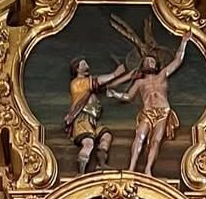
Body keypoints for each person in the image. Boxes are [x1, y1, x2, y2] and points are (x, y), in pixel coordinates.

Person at [108, 32, 192, 175]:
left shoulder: (163, 75)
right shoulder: (140, 82)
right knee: (139, 136)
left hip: (163, 111)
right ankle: (131, 168)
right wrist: (115, 94)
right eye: (147, 61)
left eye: (152, 61)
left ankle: (148, 169)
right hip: (147, 112)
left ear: (157, 65)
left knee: (155, 141)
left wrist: (184, 42)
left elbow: (178, 60)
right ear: (143, 64)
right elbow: (128, 96)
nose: (150, 63)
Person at [64, 58, 135, 174]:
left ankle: (101, 164)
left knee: (106, 136)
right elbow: (100, 81)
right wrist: (116, 73)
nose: (87, 65)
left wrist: (129, 76)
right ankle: (81, 173)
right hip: (83, 119)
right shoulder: (77, 83)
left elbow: (109, 85)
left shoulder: (89, 84)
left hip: (93, 120)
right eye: (83, 64)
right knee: (88, 143)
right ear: (77, 68)